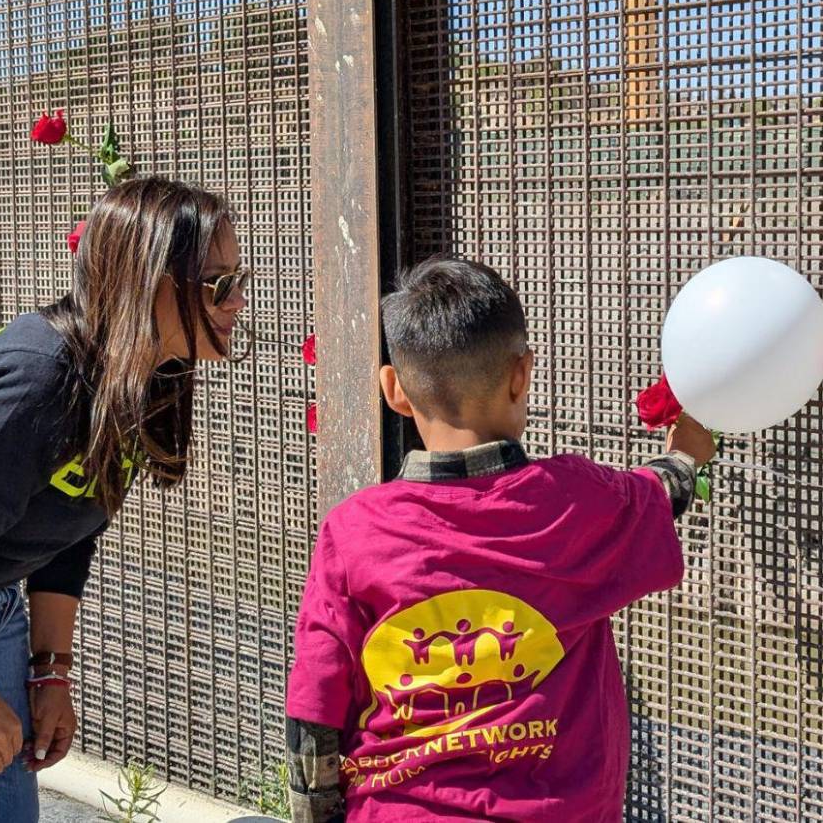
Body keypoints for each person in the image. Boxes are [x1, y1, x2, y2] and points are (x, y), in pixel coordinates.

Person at [284, 257, 716, 822]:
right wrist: (689, 449)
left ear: (394, 389)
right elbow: (664, 492)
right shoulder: (576, 502)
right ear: (522, 375)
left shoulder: (353, 530)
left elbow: (315, 709)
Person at [0, 176, 250, 821]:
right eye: (218, 284)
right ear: (149, 283)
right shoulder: (37, 383)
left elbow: (70, 524)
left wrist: (49, 671)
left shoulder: (146, 376)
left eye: (238, 279)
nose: (236, 301)